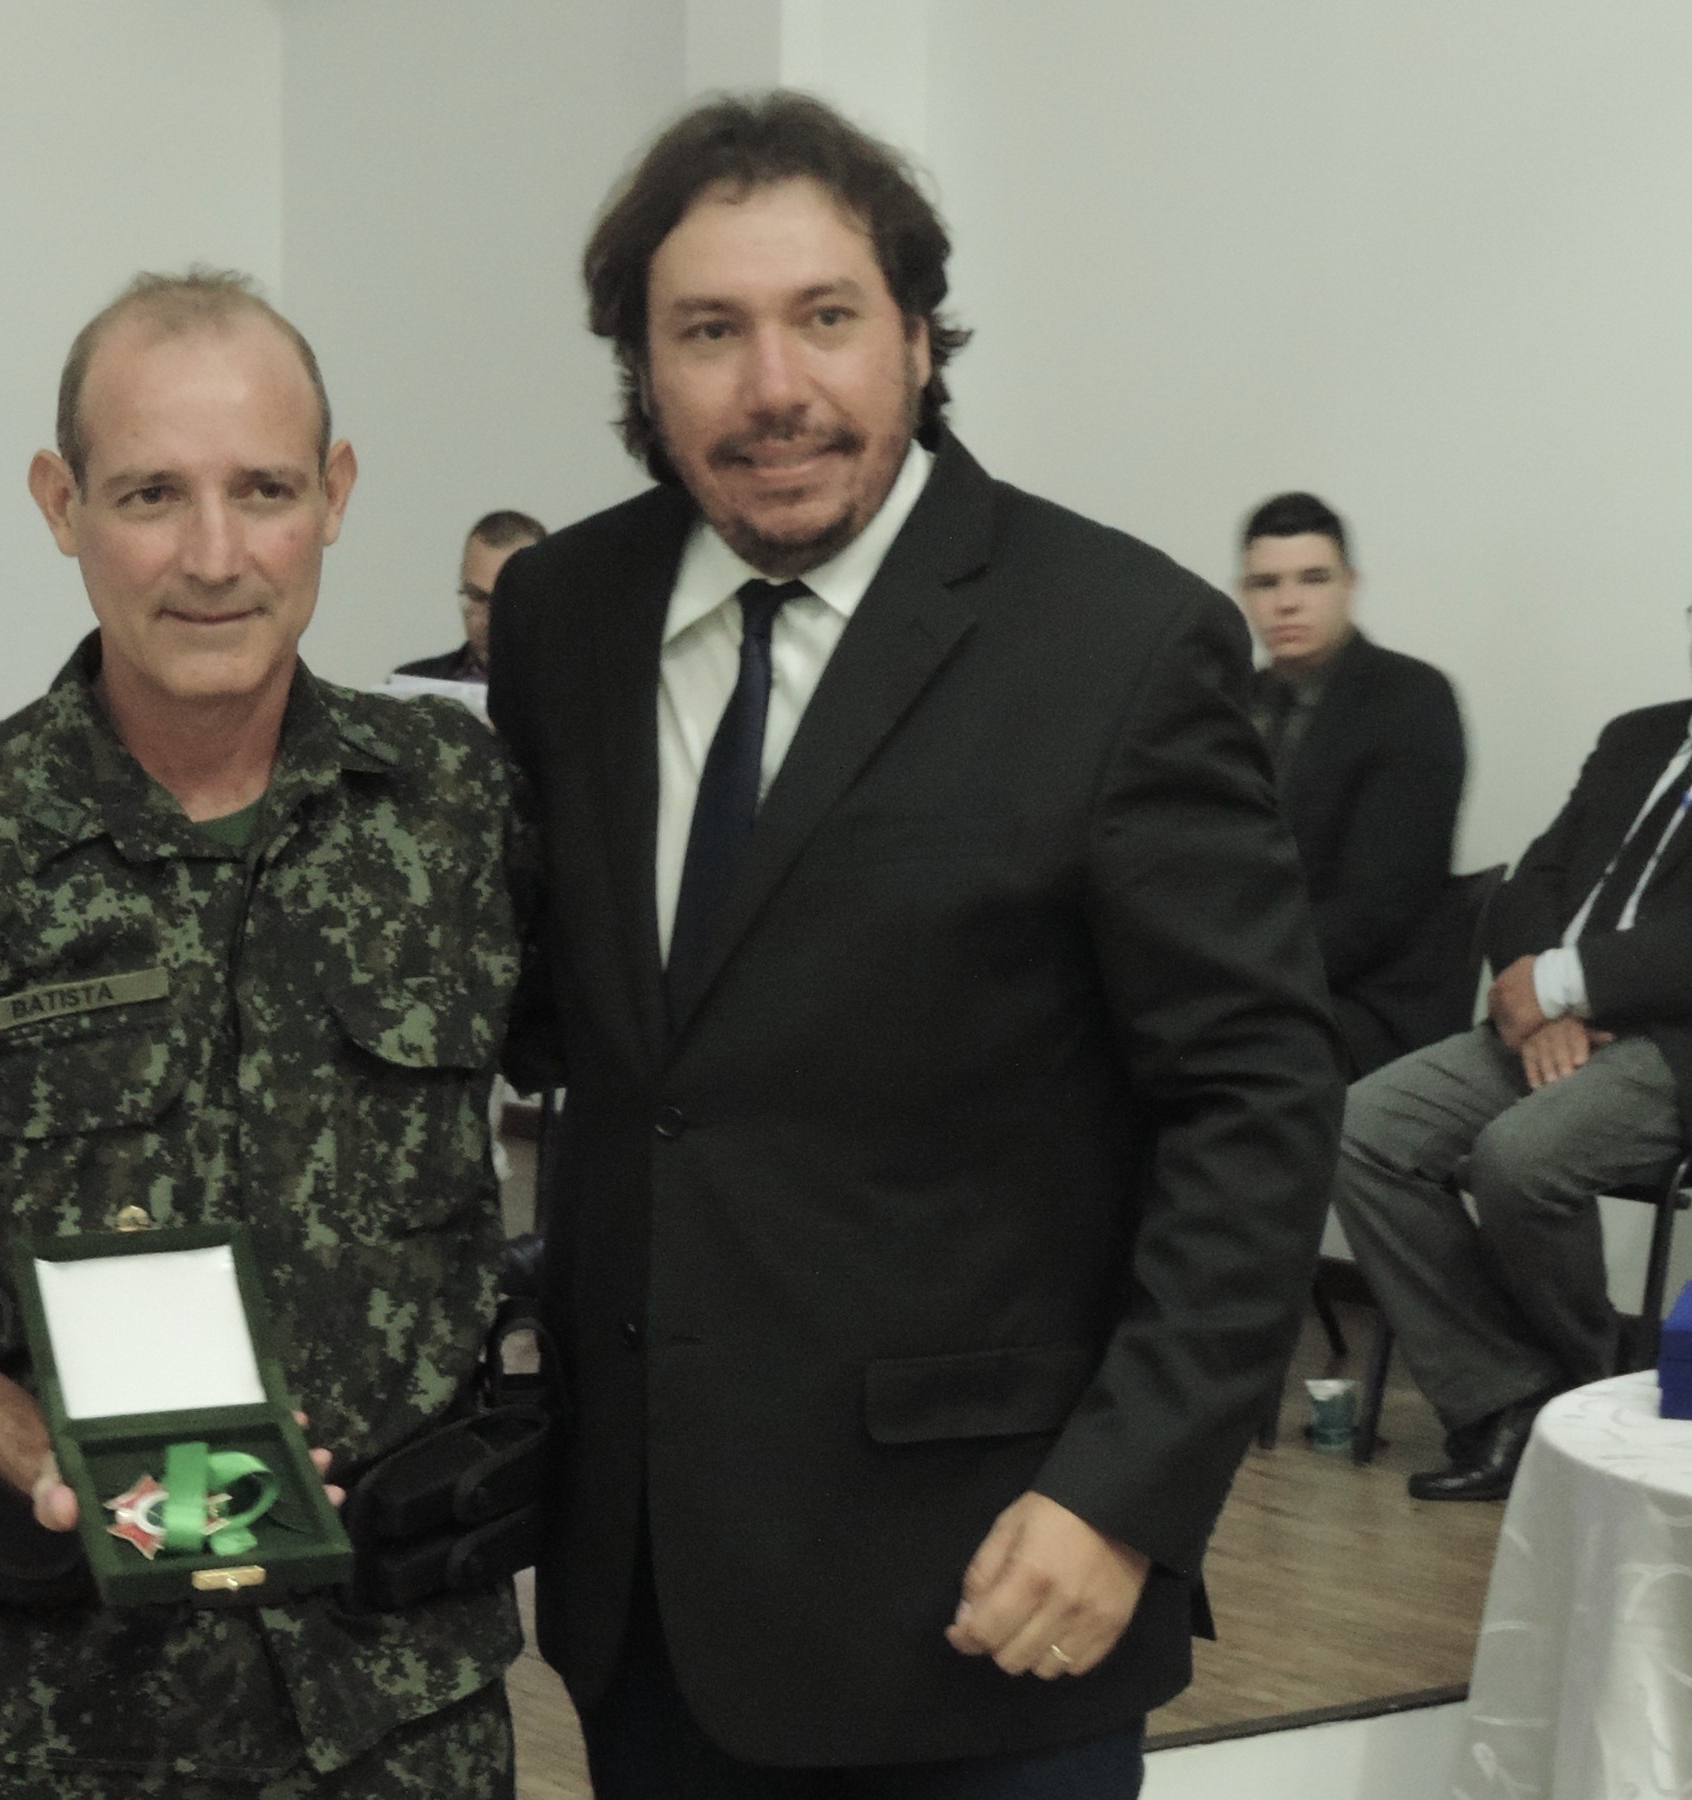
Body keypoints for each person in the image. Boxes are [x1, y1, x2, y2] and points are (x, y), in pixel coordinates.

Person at [487, 92, 1343, 1797]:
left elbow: (1253, 1101)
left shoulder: (1116, 642)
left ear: (919, 338)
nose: (773, 386)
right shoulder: (562, 618)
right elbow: (576, 1033)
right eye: (708, 331)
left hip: (992, 1594)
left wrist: (1125, 1497)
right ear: (642, 368)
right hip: (644, 1600)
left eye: (825, 317)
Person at [0, 269, 529, 1797]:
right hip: (59, 1722)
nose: (214, 556)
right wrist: (38, 1447)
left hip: (406, 1714)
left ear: (336, 495)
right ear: (63, 503)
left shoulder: (459, 809)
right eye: (153, 493)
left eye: (265, 490)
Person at [1335, 649, 1692, 1502]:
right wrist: (1535, 999)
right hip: (1545, 1020)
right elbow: (1537, 878)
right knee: (1358, 1130)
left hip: (1670, 1043)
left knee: (1522, 1156)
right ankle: (1507, 1393)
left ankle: (1585, 1397)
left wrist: (1564, 984)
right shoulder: (1638, 736)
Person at [1237, 492, 1467, 1075]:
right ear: (1243, 594)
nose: (1287, 602)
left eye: (1313, 578)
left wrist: (1234, 974)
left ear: (1350, 586)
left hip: (1365, 1000)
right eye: (1266, 583)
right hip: (1245, 978)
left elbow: (1379, 906)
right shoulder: (1229, 703)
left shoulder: (1410, 698)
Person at [394, 510, 547, 684]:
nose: (489, 621)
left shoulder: (572, 688)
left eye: (508, 599)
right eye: (477, 597)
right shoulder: (410, 685)